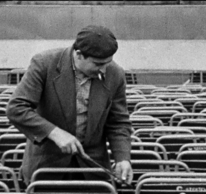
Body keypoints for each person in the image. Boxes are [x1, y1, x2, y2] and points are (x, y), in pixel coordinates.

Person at [7, 25, 132, 185]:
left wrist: (123, 158)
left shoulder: (115, 74)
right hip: (46, 167)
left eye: (108, 63)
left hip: (93, 170)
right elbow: (16, 108)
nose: (103, 70)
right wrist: (54, 133)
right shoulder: (44, 64)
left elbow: (118, 122)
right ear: (79, 54)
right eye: (98, 64)